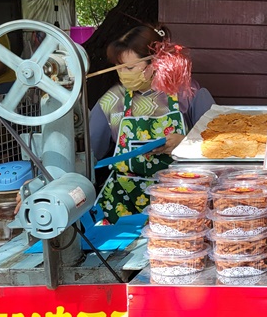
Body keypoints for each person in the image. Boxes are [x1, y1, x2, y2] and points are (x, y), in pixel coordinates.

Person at [90, 24, 214, 222]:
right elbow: (88, 156)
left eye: (129, 68)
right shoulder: (112, 101)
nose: (123, 74)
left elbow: (217, 144)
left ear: (155, 63)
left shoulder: (187, 94)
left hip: (180, 200)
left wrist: (186, 143)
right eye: (119, 67)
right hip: (123, 203)